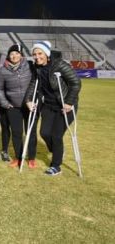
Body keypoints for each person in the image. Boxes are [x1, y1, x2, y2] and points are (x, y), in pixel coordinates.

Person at [25, 41, 81, 176]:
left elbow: (75, 83)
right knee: (44, 133)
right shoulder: (37, 68)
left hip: (65, 106)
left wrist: (69, 102)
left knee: (56, 136)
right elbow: (33, 83)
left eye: (40, 54)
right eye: (34, 54)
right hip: (49, 105)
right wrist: (28, 100)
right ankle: (58, 150)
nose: (37, 57)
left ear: (47, 54)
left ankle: (56, 165)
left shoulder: (60, 64)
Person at [0, 44, 37, 168]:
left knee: (30, 132)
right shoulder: (3, 70)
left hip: (30, 105)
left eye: (17, 53)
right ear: (8, 55)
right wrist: (5, 103)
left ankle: (31, 157)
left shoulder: (30, 66)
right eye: (12, 53)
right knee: (16, 132)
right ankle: (18, 157)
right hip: (13, 107)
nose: (14, 56)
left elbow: (36, 81)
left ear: (21, 55)